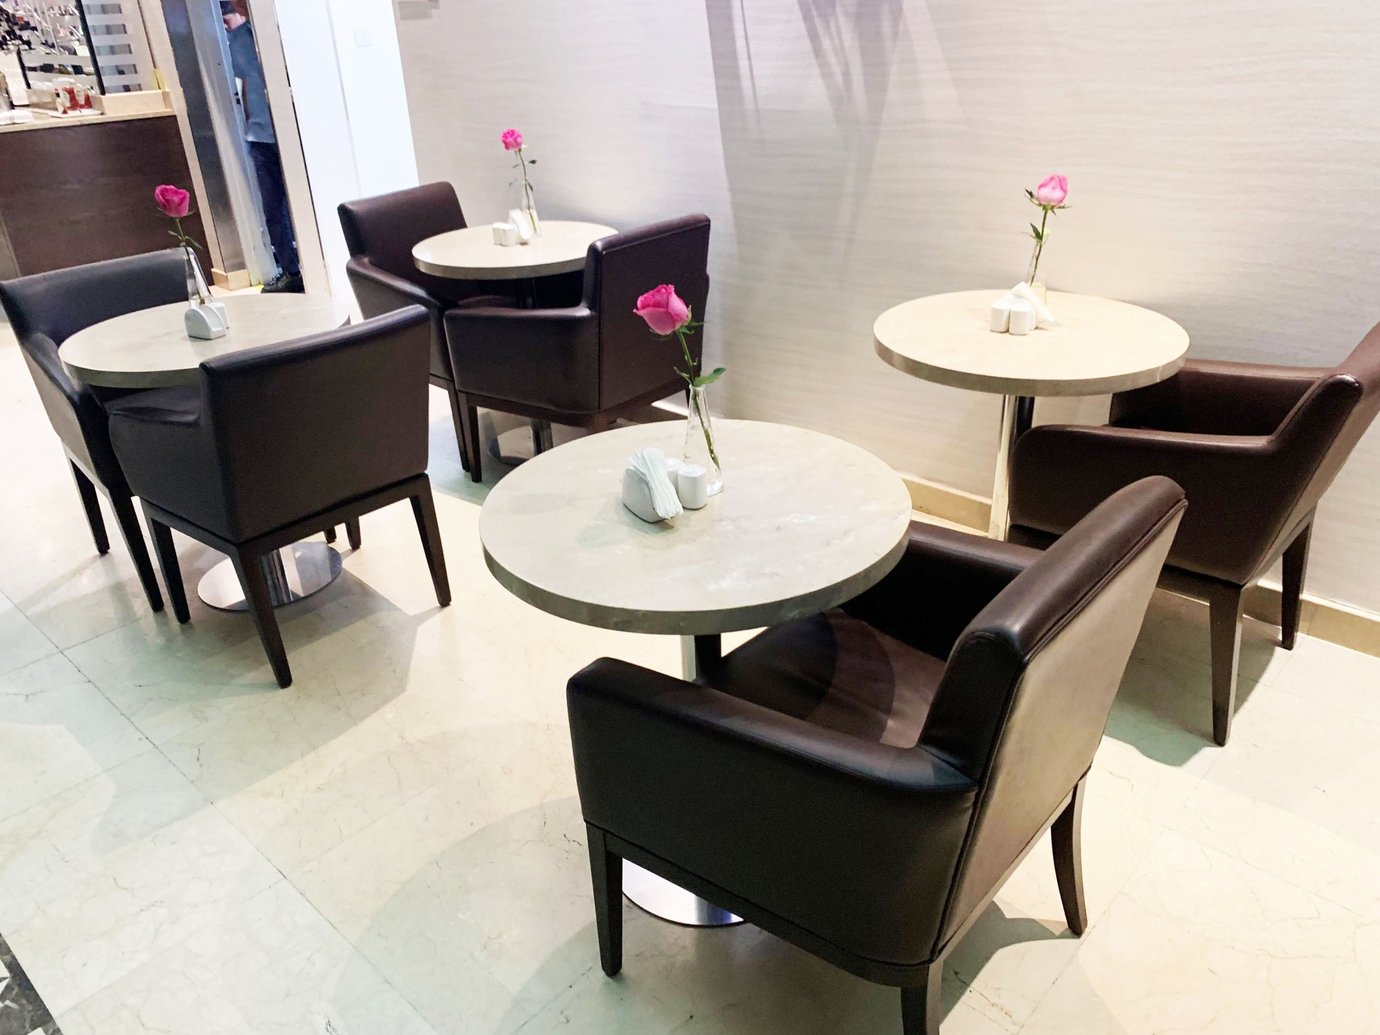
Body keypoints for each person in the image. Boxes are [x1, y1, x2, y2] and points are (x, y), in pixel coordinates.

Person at [222, 0, 302, 293]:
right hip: (260, 135)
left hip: (293, 135)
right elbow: (243, 83)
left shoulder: (284, 32)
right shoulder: (239, 38)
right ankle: (291, 270)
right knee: (273, 207)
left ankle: (315, 265)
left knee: (303, 205)